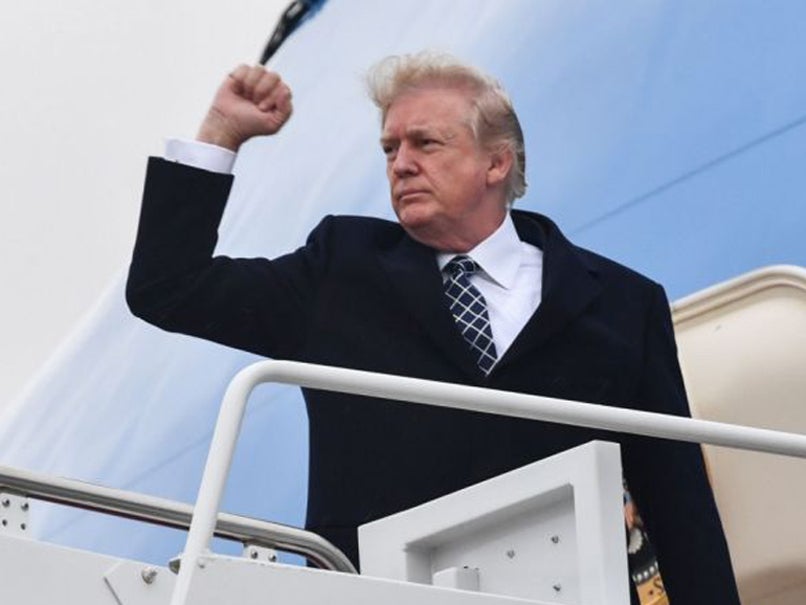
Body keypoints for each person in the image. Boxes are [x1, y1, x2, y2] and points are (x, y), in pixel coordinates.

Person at [127, 52, 739, 603]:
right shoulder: (341, 269)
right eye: (390, 148)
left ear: (496, 161)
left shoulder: (625, 304)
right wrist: (221, 134)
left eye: (425, 143)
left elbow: (679, 504)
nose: (401, 165)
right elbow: (168, 288)